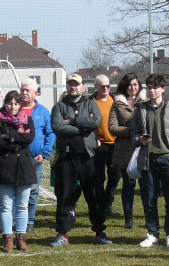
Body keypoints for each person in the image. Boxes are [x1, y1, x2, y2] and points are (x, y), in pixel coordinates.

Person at [50, 74, 110, 247]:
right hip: (66, 158)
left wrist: (73, 121)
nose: (73, 87)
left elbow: (96, 121)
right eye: (70, 84)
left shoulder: (90, 103)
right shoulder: (59, 106)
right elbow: (58, 126)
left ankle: (99, 232)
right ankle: (62, 233)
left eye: (76, 84)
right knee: (64, 196)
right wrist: (83, 128)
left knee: (94, 195)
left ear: (83, 87)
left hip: (88, 157)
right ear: (67, 87)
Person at [132, 74, 169, 248]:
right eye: (149, 87)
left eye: (155, 87)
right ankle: (152, 233)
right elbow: (133, 133)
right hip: (147, 160)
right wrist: (139, 139)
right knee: (149, 199)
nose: (152, 90)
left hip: (168, 160)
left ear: (163, 89)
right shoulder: (140, 109)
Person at [0, 90, 36, 253]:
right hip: (4, 167)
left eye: (16, 103)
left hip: (24, 167)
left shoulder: (27, 119)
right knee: (5, 206)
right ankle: (7, 239)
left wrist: (8, 135)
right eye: (10, 103)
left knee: (22, 206)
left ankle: (21, 238)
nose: (13, 106)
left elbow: (30, 138)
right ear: (4, 103)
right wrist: (18, 137)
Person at [20, 81, 55, 232]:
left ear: (36, 93)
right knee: (17, 191)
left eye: (28, 90)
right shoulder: (14, 109)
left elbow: (50, 134)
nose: (24, 93)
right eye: (23, 90)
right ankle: (17, 220)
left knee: (33, 191)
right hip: (16, 159)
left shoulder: (43, 112)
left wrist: (44, 153)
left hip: (35, 159)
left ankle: (30, 222)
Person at [107, 73, 141, 229]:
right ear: (125, 87)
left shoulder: (146, 102)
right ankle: (128, 217)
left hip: (143, 149)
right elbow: (112, 127)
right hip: (125, 151)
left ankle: (149, 216)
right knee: (128, 185)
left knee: (147, 185)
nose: (132, 88)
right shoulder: (117, 104)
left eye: (135, 84)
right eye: (129, 85)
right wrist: (132, 131)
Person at [90, 75, 119, 217]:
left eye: (108, 86)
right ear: (96, 86)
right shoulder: (90, 102)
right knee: (99, 177)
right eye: (102, 86)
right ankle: (100, 204)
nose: (106, 89)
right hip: (99, 145)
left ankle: (108, 203)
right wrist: (94, 139)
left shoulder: (115, 100)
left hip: (115, 144)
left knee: (115, 176)